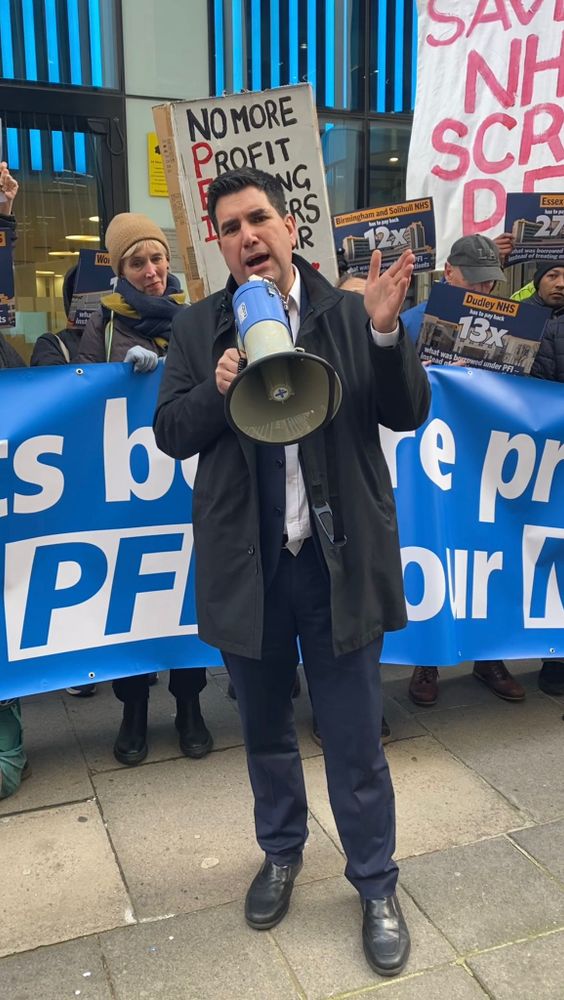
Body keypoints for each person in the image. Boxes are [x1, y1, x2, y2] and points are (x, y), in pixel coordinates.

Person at [154, 167, 431, 978]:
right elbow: (172, 430)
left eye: (261, 220)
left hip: (337, 565)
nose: (248, 236)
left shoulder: (349, 311)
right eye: (231, 226)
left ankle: (376, 883)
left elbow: (407, 412)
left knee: (353, 739)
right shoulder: (199, 326)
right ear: (219, 244)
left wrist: (385, 336)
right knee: (266, 730)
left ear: (290, 228)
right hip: (253, 567)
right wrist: (218, 386)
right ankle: (281, 853)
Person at [77, 212, 212, 765]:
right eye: (139, 262)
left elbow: (214, 381)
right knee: (129, 598)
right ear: (119, 269)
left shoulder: (195, 318)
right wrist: (119, 380)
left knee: (183, 593)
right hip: (127, 491)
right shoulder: (103, 327)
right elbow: (80, 393)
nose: (153, 271)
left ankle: (190, 706)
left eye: (158, 258)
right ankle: (133, 708)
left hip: (182, 486)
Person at [401, 234, 527, 708]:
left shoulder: (513, 324)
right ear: (448, 273)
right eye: (472, 280)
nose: (483, 291)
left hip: (485, 461)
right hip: (430, 464)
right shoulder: (412, 322)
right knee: (435, 552)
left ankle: (488, 656)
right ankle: (426, 661)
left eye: (489, 283)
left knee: (487, 556)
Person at [529, 261, 564, 697]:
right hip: (531, 457)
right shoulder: (518, 320)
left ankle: (559, 658)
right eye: (554, 273)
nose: (562, 282)